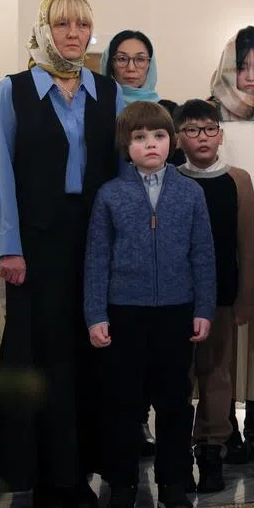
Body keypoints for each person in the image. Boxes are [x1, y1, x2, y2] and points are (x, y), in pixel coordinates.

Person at [0, 0, 122, 508]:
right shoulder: (15, 89)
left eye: (83, 25)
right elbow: (0, 172)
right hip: (36, 245)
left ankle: (80, 475)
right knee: (42, 359)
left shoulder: (106, 90)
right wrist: (9, 248)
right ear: (46, 29)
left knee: (91, 355)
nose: (74, 33)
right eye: (63, 24)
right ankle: (45, 478)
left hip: (93, 241)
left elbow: (118, 173)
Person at [84, 101, 215, 508]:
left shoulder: (190, 192)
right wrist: (95, 314)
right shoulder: (111, 195)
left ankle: (174, 485)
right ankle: (122, 488)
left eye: (158, 136)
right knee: (123, 403)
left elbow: (203, 255)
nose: (150, 144)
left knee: (175, 403)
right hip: (124, 313)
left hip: (177, 312)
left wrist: (204, 308)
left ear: (171, 141)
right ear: (127, 146)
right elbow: (96, 258)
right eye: (140, 138)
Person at [100, 29, 182, 453]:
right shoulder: (99, 108)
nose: (132, 68)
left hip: (160, 257)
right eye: (122, 59)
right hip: (111, 227)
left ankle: (149, 433)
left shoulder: (160, 112)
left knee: (164, 368)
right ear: (109, 63)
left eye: (140, 59)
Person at [173, 99, 254, 493]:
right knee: (177, 378)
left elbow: (247, 244)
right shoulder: (170, 177)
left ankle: (212, 452)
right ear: (178, 138)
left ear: (220, 135)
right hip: (175, 301)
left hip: (222, 297)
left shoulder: (238, 180)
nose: (202, 137)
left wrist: (246, 299)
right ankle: (176, 453)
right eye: (192, 130)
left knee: (217, 375)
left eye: (209, 129)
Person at [209, 25, 254, 464]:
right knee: (226, 339)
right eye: (243, 66)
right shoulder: (207, 117)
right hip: (225, 243)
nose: (251, 76)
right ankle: (227, 424)